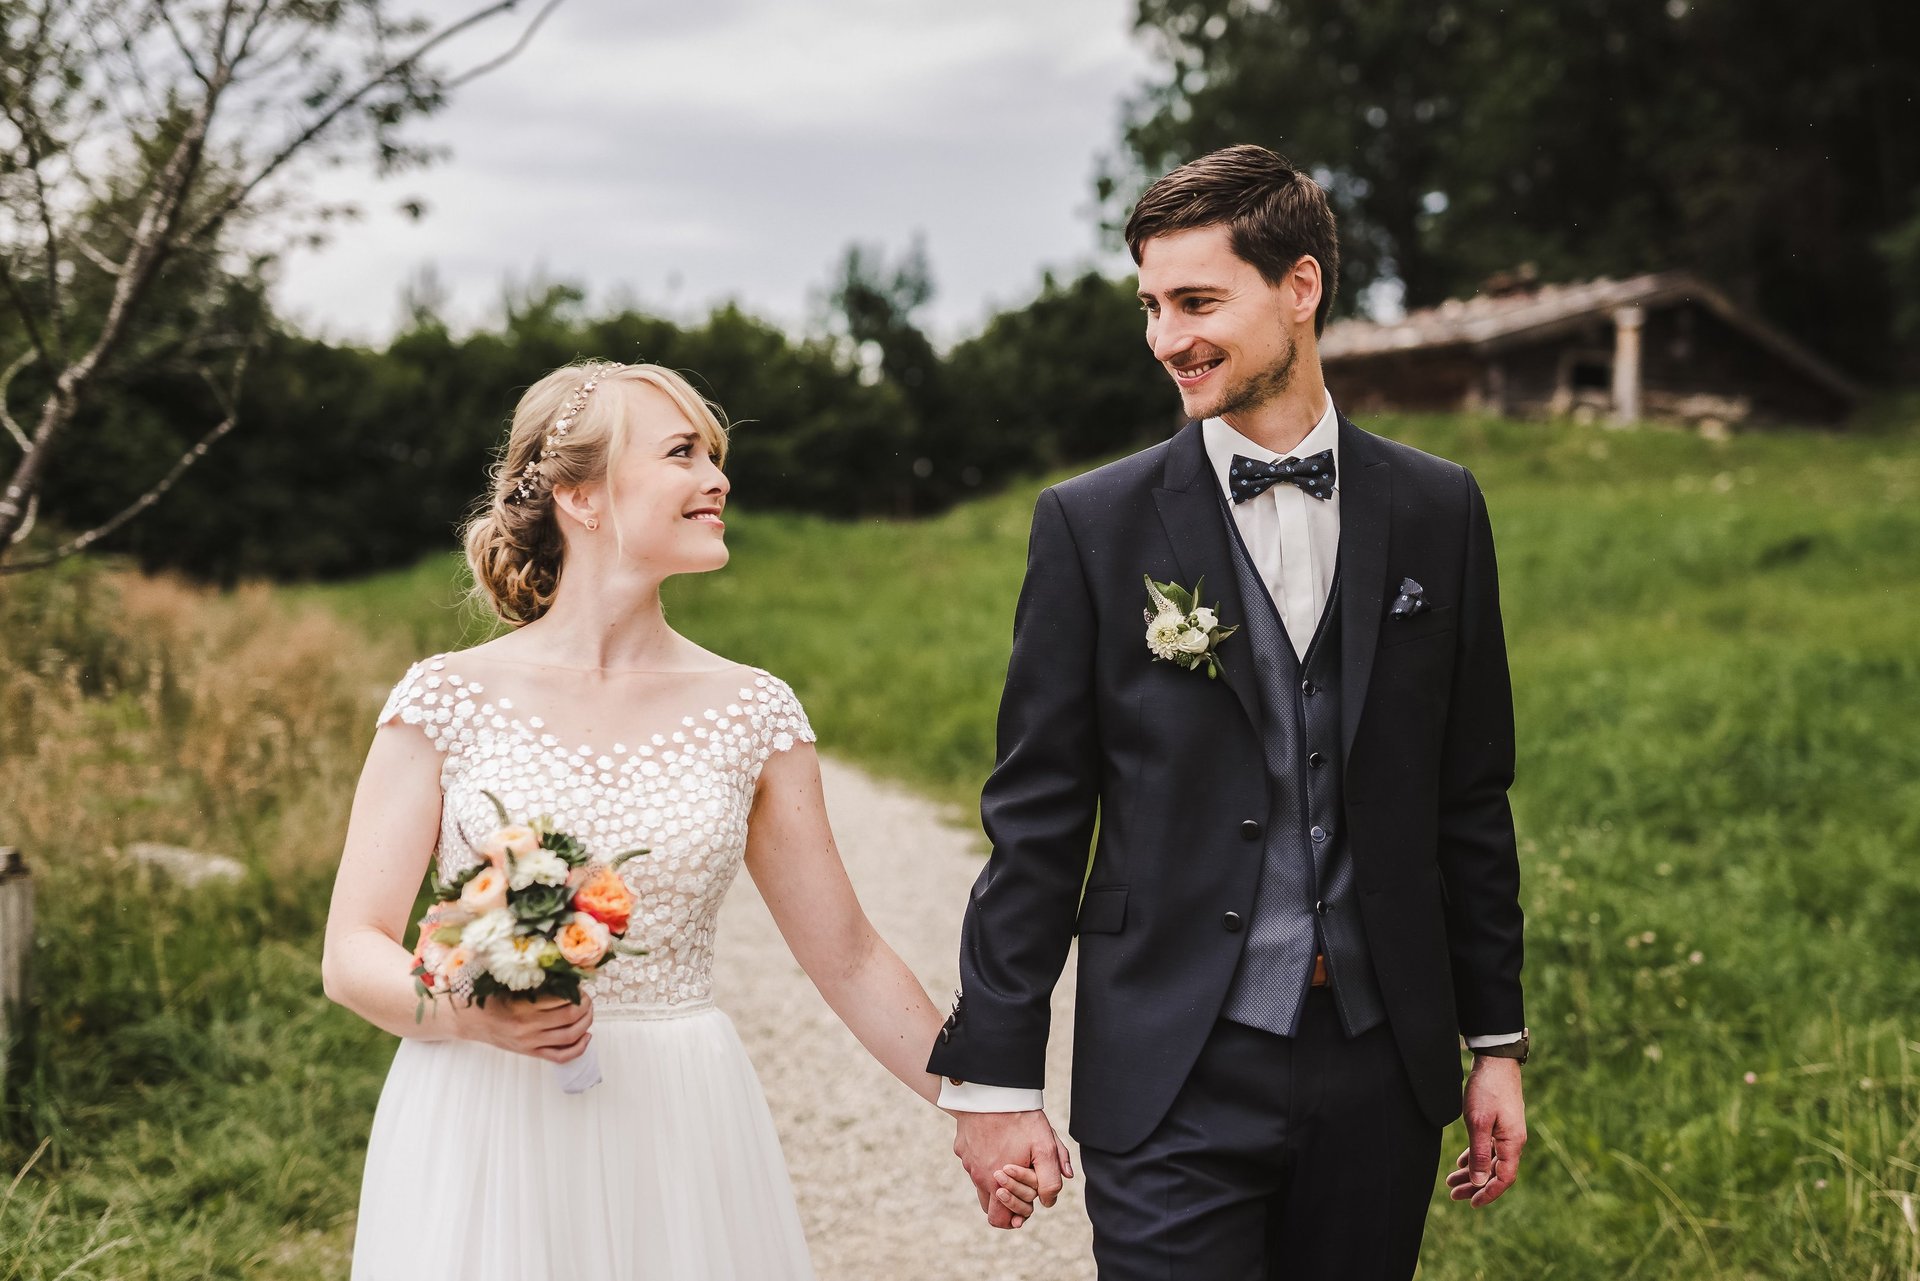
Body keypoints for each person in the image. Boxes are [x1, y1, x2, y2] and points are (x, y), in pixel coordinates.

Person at [929, 145, 1530, 1277]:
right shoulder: (1091, 526)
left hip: (1380, 1065)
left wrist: (1496, 1041)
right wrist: (995, 1078)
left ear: (1300, 288)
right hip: (1173, 1067)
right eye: (1152, 306)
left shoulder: (1439, 507)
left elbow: (1468, 795)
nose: (1167, 338)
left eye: (1197, 302)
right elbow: (1039, 818)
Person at [322, 362, 1048, 1279]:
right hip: (480, 1110)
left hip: (675, 1119)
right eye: (681, 454)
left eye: (714, 454)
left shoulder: (753, 711)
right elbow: (352, 949)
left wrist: (979, 1103)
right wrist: (473, 1014)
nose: (717, 478)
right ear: (581, 496)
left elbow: (850, 956)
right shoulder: (446, 697)